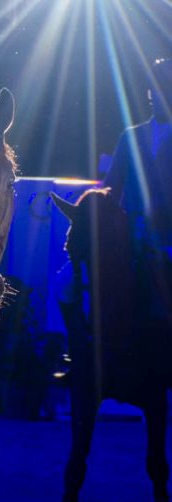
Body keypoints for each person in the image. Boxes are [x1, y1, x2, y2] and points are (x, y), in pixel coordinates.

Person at [103, 57, 172, 325]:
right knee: (65, 284)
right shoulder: (130, 136)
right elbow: (110, 187)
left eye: (164, 86)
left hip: (166, 239)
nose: (156, 93)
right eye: (153, 87)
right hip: (129, 238)